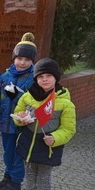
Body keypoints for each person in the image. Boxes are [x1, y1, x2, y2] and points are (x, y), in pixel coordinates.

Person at [0, 32, 37, 190]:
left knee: (18, 153)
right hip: (5, 122)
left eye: (27, 60)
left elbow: (34, 102)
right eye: (19, 58)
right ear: (14, 58)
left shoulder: (34, 78)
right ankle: (7, 177)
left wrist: (19, 95)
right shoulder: (5, 77)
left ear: (32, 61)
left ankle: (16, 181)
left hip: (21, 124)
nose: (22, 62)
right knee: (8, 152)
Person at [13, 58, 76, 190]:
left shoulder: (65, 103)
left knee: (43, 180)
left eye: (49, 76)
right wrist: (20, 118)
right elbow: (18, 112)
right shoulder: (27, 96)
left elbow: (68, 129)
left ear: (56, 78)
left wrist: (55, 138)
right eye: (40, 76)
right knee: (29, 178)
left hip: (48, 148)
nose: (45, 79)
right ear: (36, 79)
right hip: (28, 144)